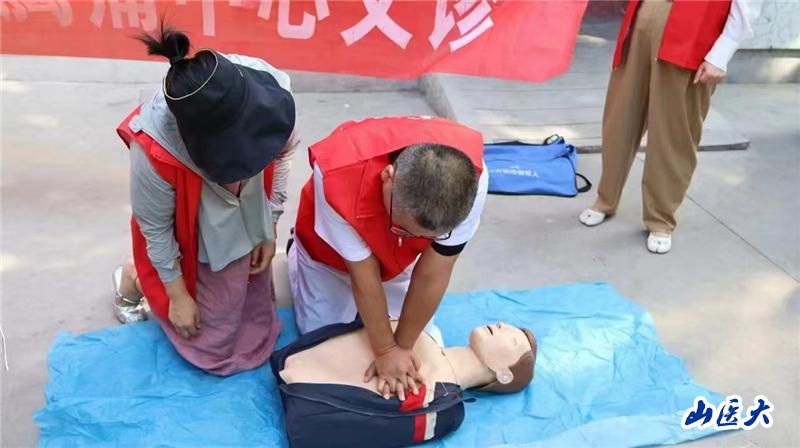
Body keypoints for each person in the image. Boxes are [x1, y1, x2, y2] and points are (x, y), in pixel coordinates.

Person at [110, 24, 298, 375]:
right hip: (197, 225)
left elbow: (283, 156)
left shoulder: (271, 94)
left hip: (249, 203)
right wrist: (177, 295)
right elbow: (156, 228)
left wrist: (269, 225)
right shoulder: (152, 148)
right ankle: (133, 278)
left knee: (253, 315)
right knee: (212, 350)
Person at [288, 116, 488, 398]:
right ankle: (296, 258)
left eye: (428, 236)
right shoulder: (335, 174)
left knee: (420, 346)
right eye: (403, 228)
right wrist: (385, 350)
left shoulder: (473, 181)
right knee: (319, 338)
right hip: (331, 255)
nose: (411, 237)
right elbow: (363, 273)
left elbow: (434, 271)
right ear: (388, 177)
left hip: (400, 261)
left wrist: (402, 347)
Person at [579, 0, 761, 253]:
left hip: (694, 35)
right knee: (620, 119)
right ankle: (605, 199)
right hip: (643, 21)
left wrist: (721, 55)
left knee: (674, 133)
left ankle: (660, 218)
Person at [271, 319, 537, 448]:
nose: (502, 325)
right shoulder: (424, 335)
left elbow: (376, 426)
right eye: (506, 325)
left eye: (512, 339)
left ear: (504, 375)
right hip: (295, 363)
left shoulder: (446, 408)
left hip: (304, 400)